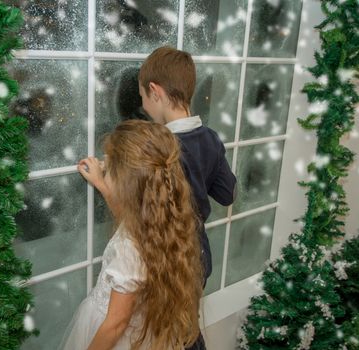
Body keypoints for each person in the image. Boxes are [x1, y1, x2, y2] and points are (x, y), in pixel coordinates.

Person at [59, 120, 203, 350]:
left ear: (126, 181)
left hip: (113, 335)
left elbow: (116, 324)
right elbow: (129, 219)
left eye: (108, 163)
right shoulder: (158, 220)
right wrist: (102, 185)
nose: (104, 165)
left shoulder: (129, 248)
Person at [139, 46, 237, 350]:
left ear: (155, 92)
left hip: (170, 260)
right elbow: (226, 193)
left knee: (175, 336)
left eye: (143, 97)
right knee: (184, 327)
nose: (143, 106)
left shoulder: (162, 146)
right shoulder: (209, 138)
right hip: (199, 257)